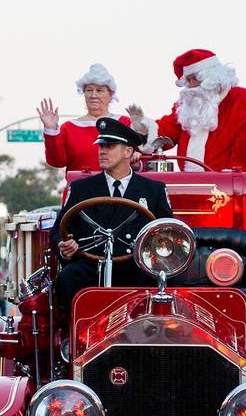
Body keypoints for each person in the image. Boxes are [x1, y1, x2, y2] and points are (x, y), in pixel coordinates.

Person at [51, 117, 173, 312]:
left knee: (162, 281)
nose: (102, 151)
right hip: (91, 266)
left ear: (128, 152)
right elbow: (59, 230)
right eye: (101, 146)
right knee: (68, 277)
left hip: (136, 267)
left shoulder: (153, 190)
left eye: (110, 146)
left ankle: (149, 328)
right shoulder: (82, 188)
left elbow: (167, 231)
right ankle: (76, 329)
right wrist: (64, 245)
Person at [129, 48, 246, 218]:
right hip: (189, 190)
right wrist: (143, 129)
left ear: (211, 78)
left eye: (194, 79)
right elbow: (166, 134)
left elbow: (245, 152)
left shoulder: (241, 99)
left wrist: (232, 184)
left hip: (225, 193)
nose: (191, 85)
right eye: (188, 80)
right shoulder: (186, 104)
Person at [39, 63, 133, 181]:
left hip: (118, 190)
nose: (93, 95)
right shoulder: (69, 128)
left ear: (111, 94)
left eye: (99, 90)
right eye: (89, 90)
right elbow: (57, 162)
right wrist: (51, 130)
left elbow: (143, 156)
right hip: (79, 191)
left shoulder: (125, 123)